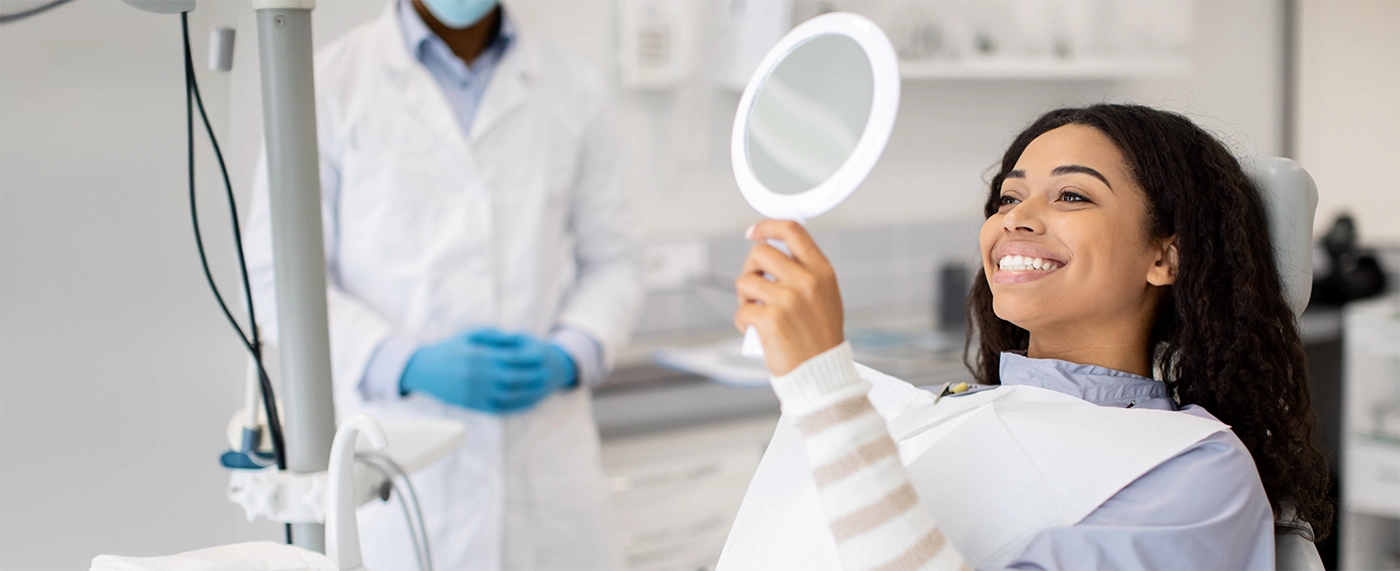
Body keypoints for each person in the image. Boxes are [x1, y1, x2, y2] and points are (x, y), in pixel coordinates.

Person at [728, 104, 1331, 570]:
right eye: (1009, 196)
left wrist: (826, 391)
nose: (1014, 216)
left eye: (1072, 195)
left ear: (1165, 257)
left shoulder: (1198, 472)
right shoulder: (949, 414)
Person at [243, 0, 642, 569]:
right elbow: (275, 277)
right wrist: (401, 363)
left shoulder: (575, 89)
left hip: (547, 474)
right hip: (392, 463)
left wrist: (571, 352)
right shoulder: (328, 84)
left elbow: (617, 260)